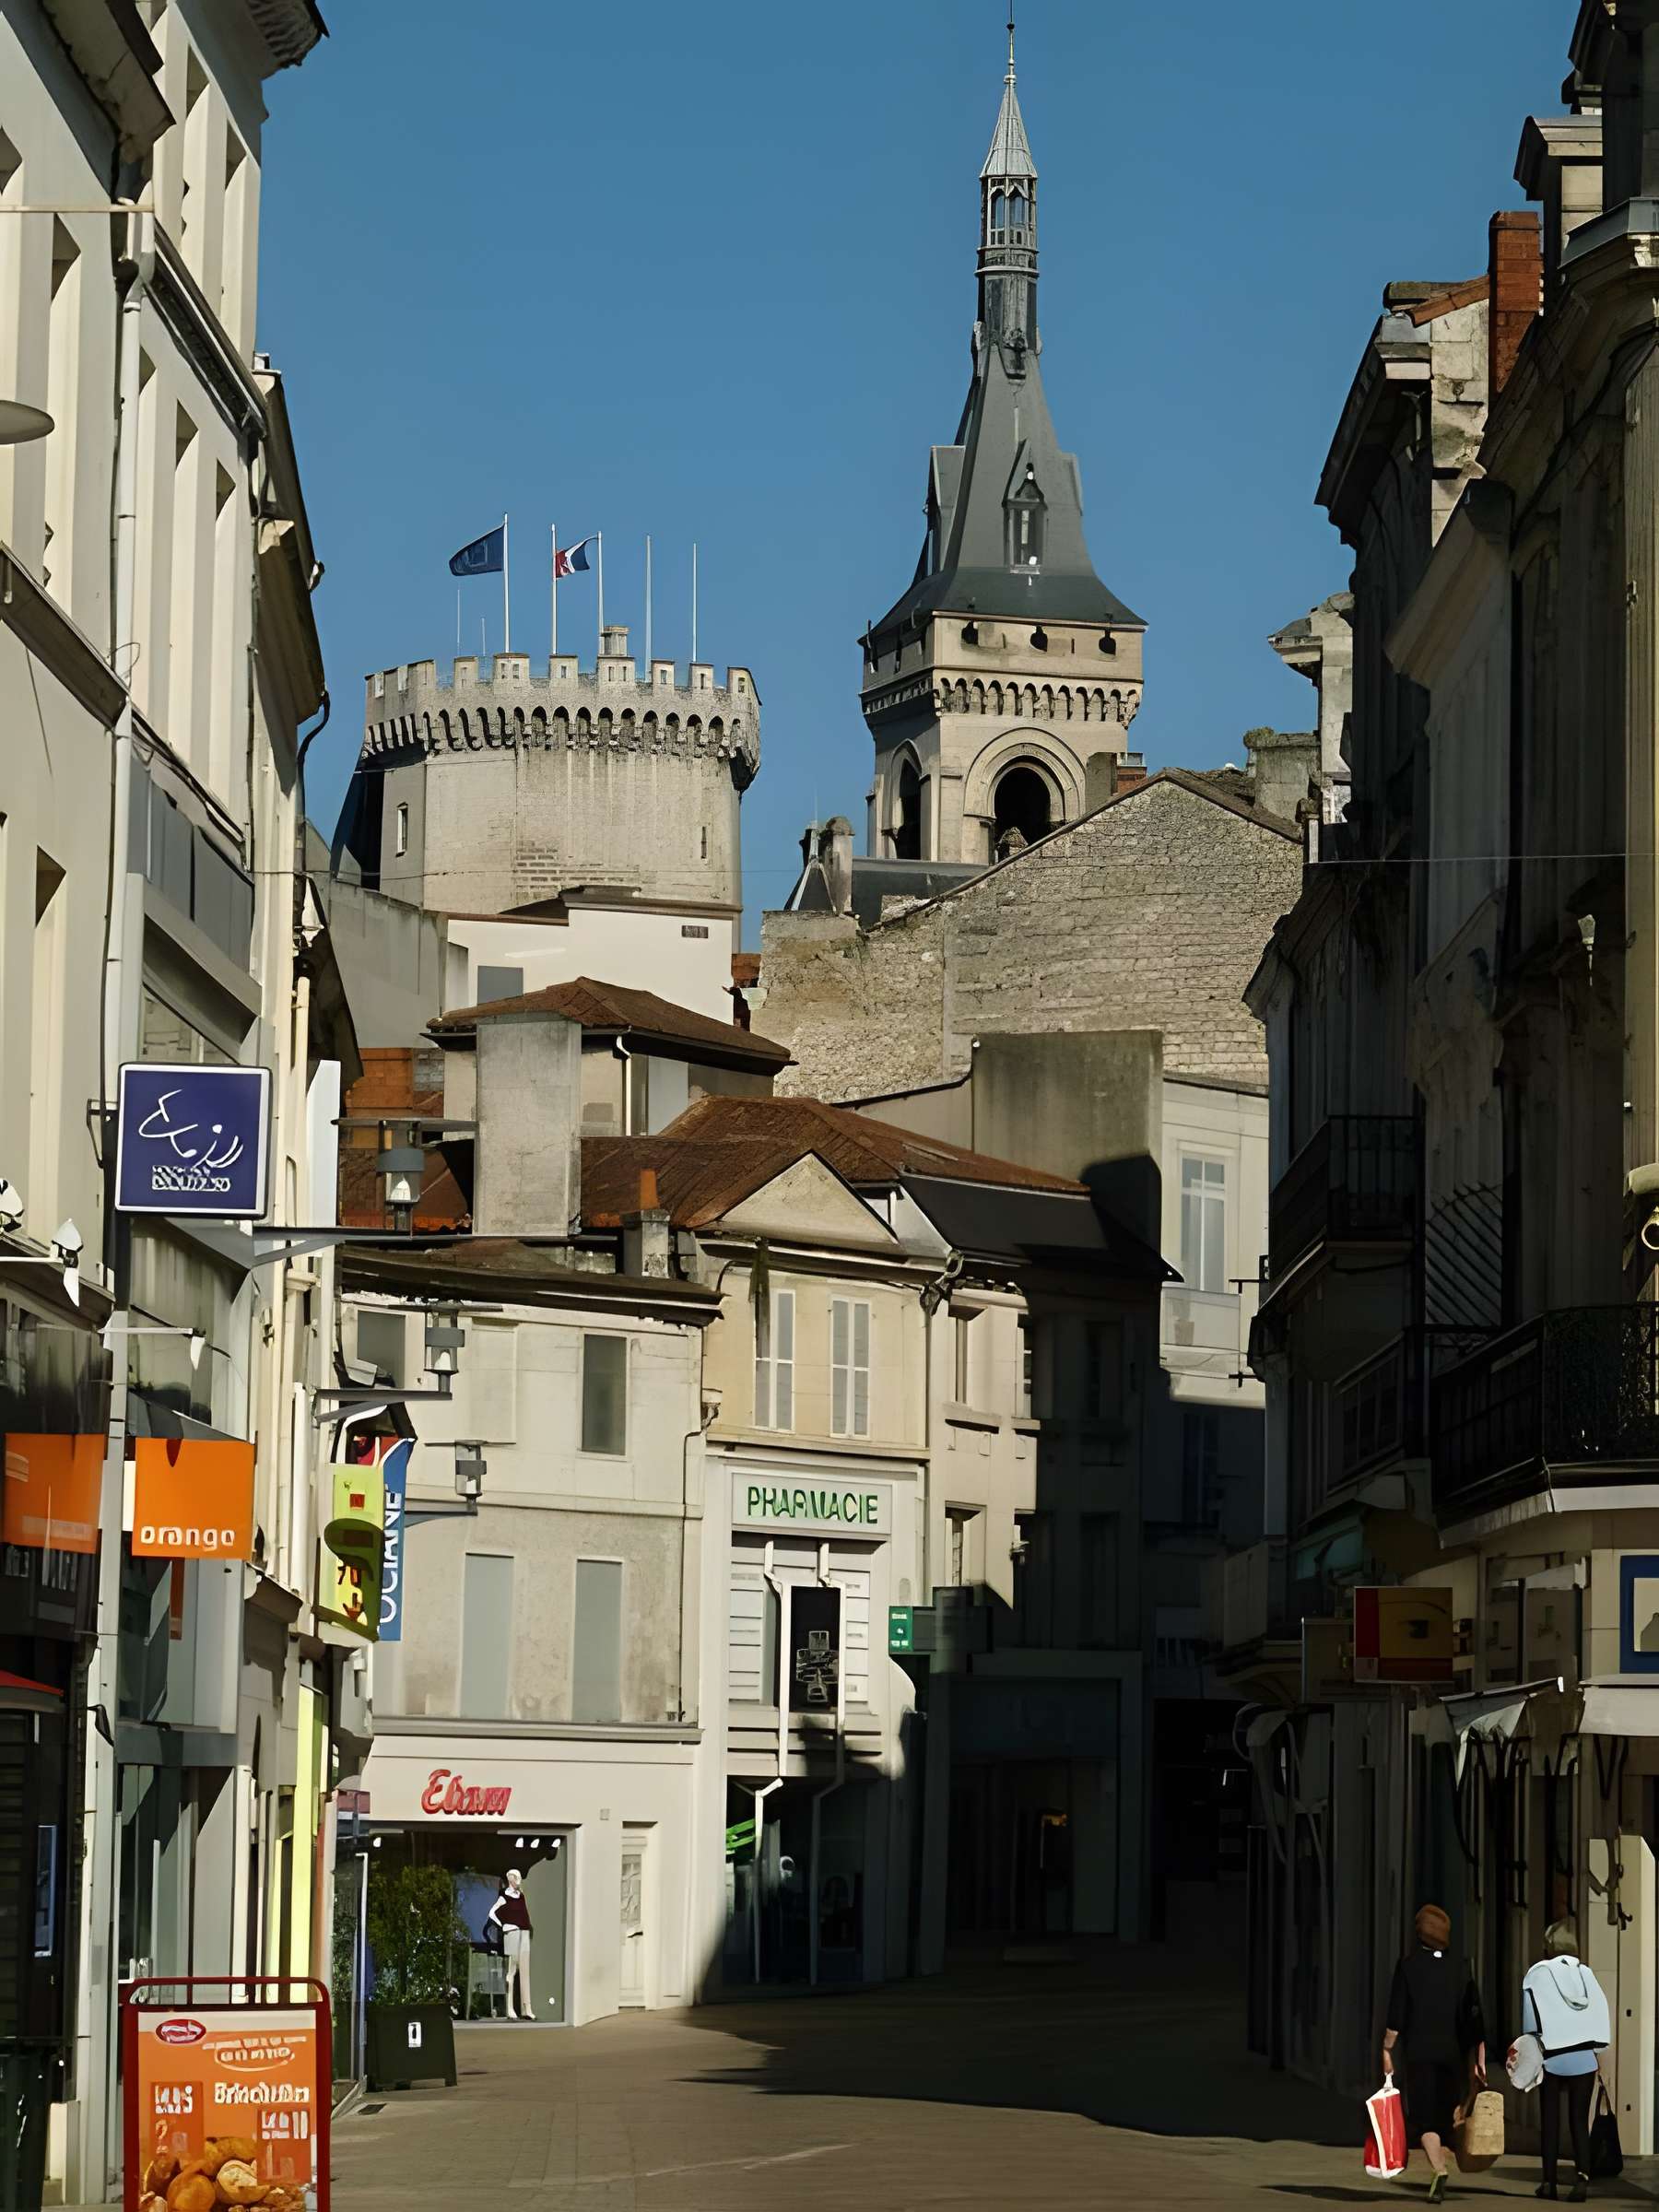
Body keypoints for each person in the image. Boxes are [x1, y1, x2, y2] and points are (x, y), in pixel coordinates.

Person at [1382, 1904, 1488, 2206]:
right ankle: (1447, 2155)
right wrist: (1478, 2060)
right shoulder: (1460, 1967)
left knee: (1425, 2121)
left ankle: (1439, 2168)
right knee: (1448, 2113)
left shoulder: (1408, 1966)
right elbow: (1475, 2020)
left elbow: (1396, 2016)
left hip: (1419, 2055)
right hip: (1451, 2056)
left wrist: (1386, 2050)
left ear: (1420, 1932)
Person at [1512, 1920, 1611, 2202]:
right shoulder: (1586, 1974)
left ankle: (1549, 2183)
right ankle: (1582, 2179)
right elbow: (1600, 2011)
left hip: (1552, 2057)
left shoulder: (1538, 1973)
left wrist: (1532, 2047)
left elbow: (1530, 2019)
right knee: (1579, 2121)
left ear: (1548, 1948)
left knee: (1551, 2121)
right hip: (1584, 2060)